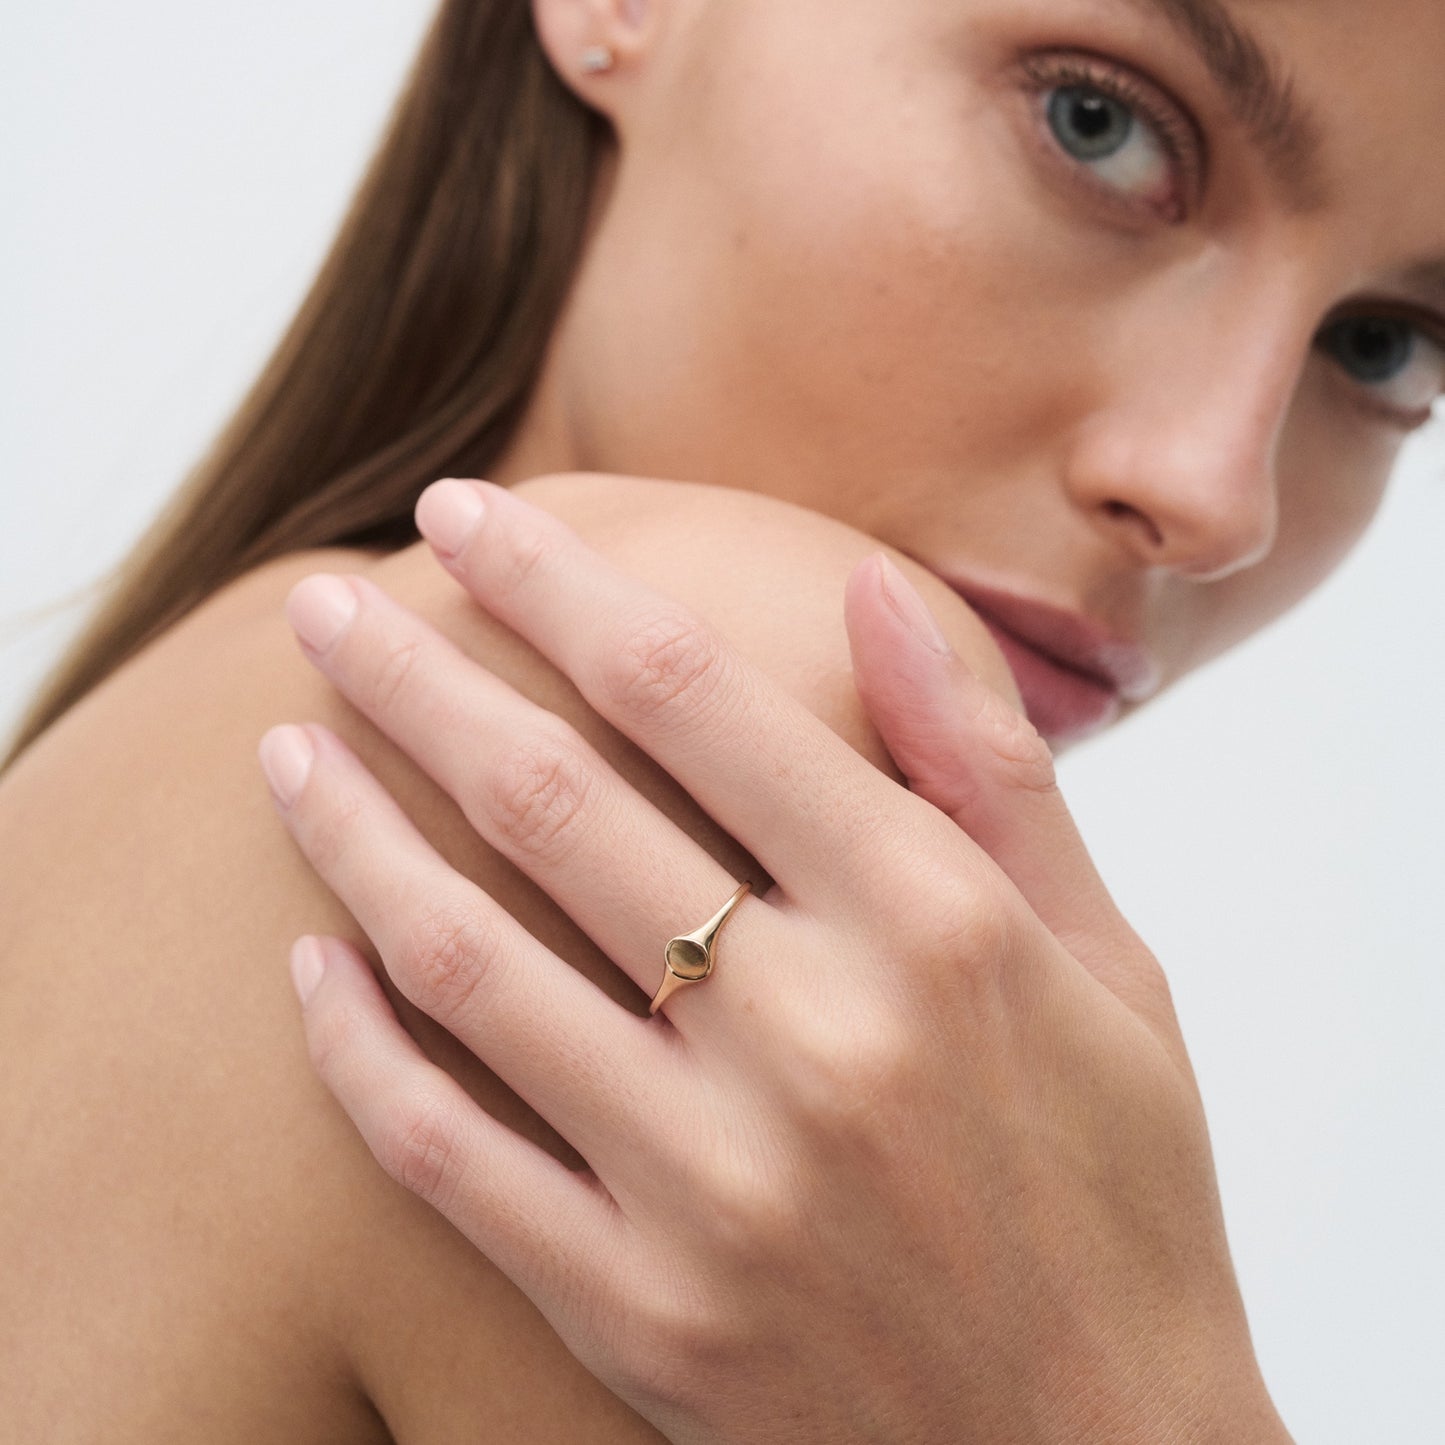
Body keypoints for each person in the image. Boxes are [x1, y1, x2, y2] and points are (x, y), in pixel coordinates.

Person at [2, 0, 1441, 1438]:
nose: (1213, 497)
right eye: (1098, 124)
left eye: (1384, 346)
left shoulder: (156, 744)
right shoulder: (668, 686)